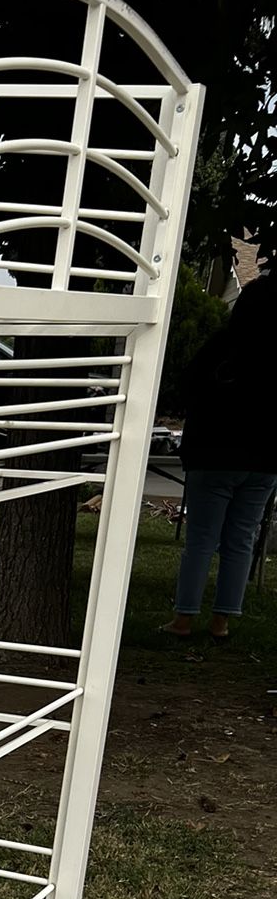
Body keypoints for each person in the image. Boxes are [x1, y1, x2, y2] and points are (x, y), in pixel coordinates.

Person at [164, 273, 277, 642]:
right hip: (263, 460)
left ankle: (183, 618)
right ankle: (222, 621)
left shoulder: (223, 346)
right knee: (241, 538)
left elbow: (186, 385)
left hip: (213, 454)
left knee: (201, 538)